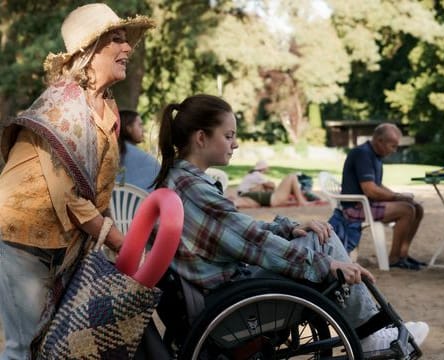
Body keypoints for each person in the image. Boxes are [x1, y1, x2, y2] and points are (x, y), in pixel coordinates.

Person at [153, 94, 429, 353]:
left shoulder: (181, 180)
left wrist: (286, 229)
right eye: (228, 136)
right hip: (227, 300)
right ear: (201, 138)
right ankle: (372, 336)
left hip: (215, 291)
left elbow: (238, 230)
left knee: (317, 235)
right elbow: (252, 243)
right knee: (324, 242)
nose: (235, 144)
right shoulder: (194, 189)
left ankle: (376, 330)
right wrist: (326, 264)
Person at [0, 4, 154, 358]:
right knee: (23, 346)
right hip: (22, 237)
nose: (128, 48)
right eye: (117, 40)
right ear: (89, 52)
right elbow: (68, 197)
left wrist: (115, 236)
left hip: (63, 243)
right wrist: (118, 240)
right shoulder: (60, 108)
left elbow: (98, 186)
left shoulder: (107, 107)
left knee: (54, 342)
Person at [340, 123, 425, 270]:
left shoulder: (374, 155)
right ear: (379, 141)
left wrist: (400, 196)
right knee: (407, 210)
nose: (394, 150)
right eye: (392, 146)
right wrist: (397, 197)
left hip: (367, 203)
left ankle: (403, 255)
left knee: (417, 208)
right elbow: (370, 190)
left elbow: (377, 186)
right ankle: (393, 258)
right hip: (356, 207)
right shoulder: (363, 154)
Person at [235, 160, 310, 208]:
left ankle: (300, 200)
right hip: (272, 199)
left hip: (248, 195)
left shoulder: (252, 174)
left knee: (264, 186)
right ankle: (301, 201)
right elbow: (272, 185)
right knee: (292, 176)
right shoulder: (257, 175)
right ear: (264, 168)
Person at [117, 109, 160, 191]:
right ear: (129, 128)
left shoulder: (108, 155)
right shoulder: (146, 161)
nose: (143, 129)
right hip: (142, 203)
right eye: (140, 125)